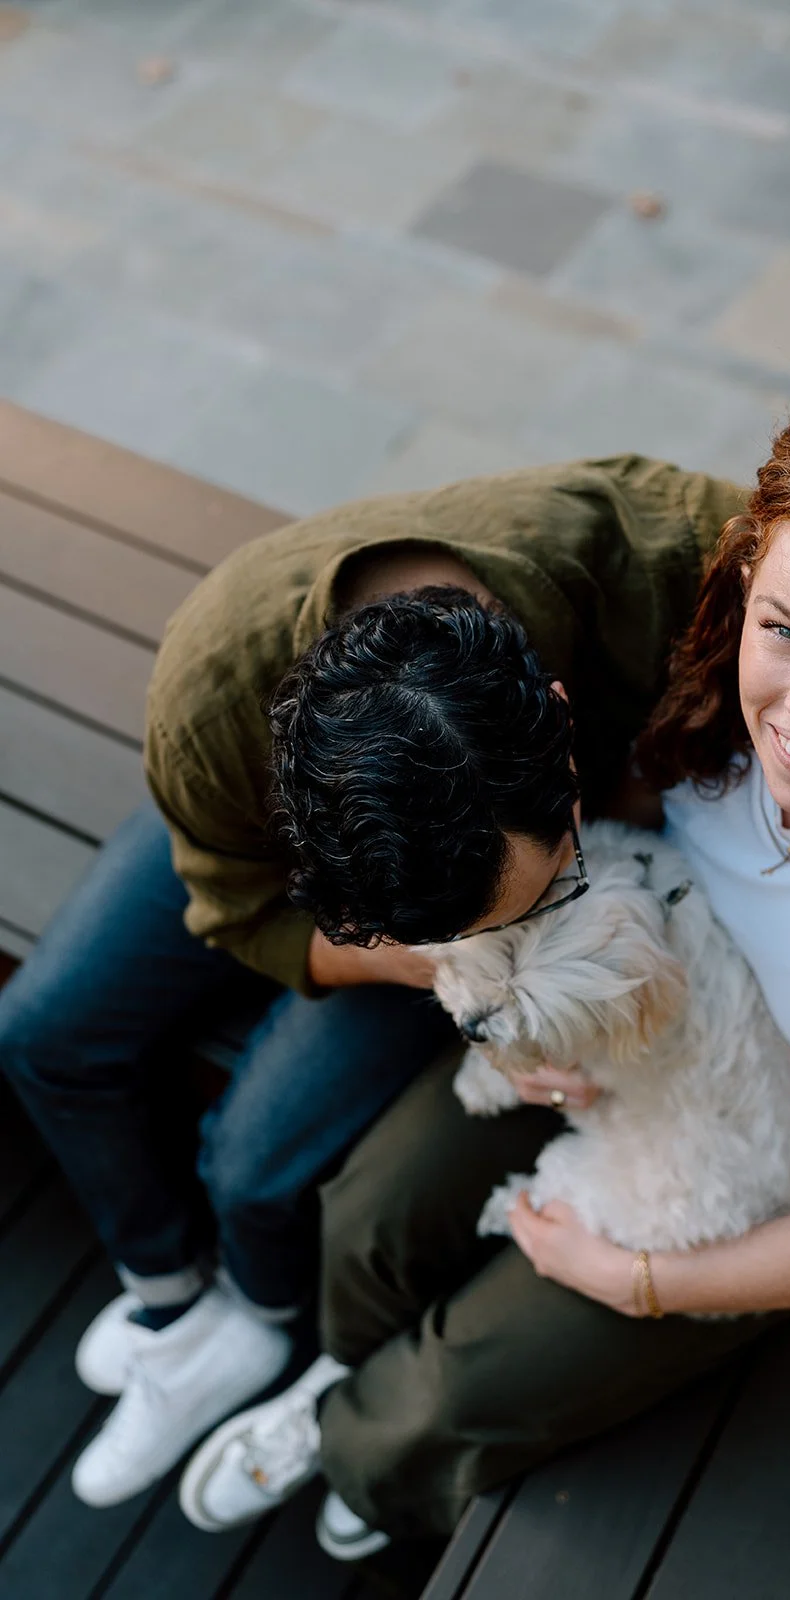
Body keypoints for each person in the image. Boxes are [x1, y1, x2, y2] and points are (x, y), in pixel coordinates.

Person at [179, 382, 790, 1563]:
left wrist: (636, 1276)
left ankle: (363, 1453)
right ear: (747, 595)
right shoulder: (692, 694)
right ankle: (335, 1370)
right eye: (787, 630)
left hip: (775, 1142)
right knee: (371, 1211)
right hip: (620, 1022)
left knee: (462, 1386)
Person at [0, 457, 750, 1508]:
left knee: (255, 1164)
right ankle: (170, 1301)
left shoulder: (674, 547)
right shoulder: (212, 693)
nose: (488, 960)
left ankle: (252, 1324)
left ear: (560, 720)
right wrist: (426, 957)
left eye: (532, 902)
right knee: (39, 1031)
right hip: (279, 854)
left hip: (432, 858)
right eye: (470, 937)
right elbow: (237, 905)